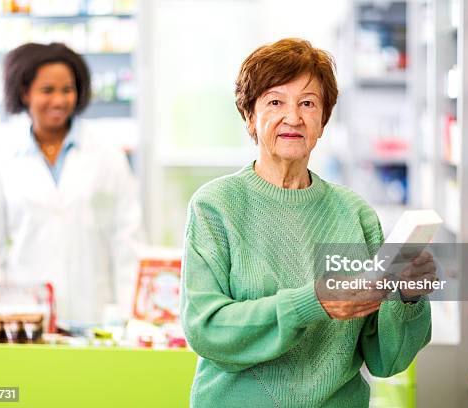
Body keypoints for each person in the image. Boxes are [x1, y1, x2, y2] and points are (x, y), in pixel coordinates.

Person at [181, 38, 435, 407]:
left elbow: (385, 360)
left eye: (307, 103)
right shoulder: (215, 206)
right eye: (274, 102)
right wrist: (311, 302)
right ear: (250, 117)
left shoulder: (355, 214)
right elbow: (207, 328)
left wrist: (407, 297)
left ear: (323, 120)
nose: (293, 117)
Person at [0, 43, 143, 324]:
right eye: (47, 90)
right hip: (24, 316)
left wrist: (128, 313)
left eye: (67, 89)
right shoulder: (0, 162)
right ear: (24, 92)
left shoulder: (108, 156)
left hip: (95, 314)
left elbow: (127, 240)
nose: (59, 101)